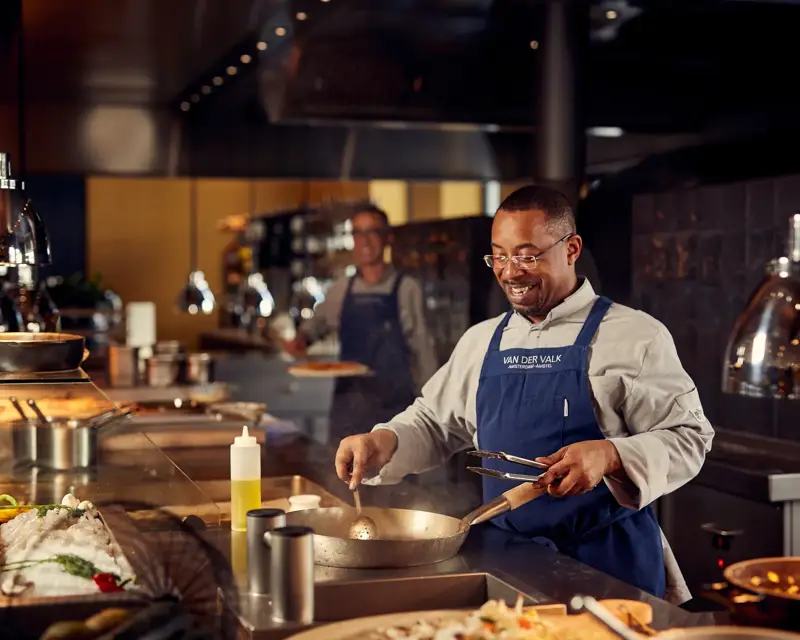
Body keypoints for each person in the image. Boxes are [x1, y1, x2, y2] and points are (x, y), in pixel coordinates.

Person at [334, 185, 714, 605]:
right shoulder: (482, 340)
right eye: (499, 255)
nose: (510, 272)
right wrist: (381, 441)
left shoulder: (634, 336)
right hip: (509, 563)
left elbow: (689, 437)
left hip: (609, 568)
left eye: (527, 255)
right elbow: (433, 421)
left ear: (571, 249)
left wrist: (610, 455)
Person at [284, 205, 437, 439]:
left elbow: (423, 350)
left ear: (388, 237)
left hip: (395, 413)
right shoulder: (340, 289)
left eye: (372, 232)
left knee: (395, 475)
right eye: (358, 233)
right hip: (348, 413)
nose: (364, 240)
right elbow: (314, 328)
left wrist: (433, 407)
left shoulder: (407, 289)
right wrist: (301, 340)